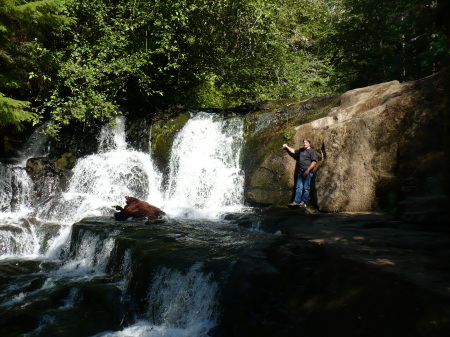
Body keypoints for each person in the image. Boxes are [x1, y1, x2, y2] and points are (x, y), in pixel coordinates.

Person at [282, 138, 318, 207]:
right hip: (300, 172)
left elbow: (314, 162)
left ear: (309, 143)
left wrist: (308, 170)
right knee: (299, 187)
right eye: (304, 142)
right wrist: (286, 146)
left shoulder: (311, 151)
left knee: (306, 188)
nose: (305, 144)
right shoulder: (301, 150)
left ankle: (303, 202)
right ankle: (296, 201)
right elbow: (293, 151)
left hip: (308, 173)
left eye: (306, 142)